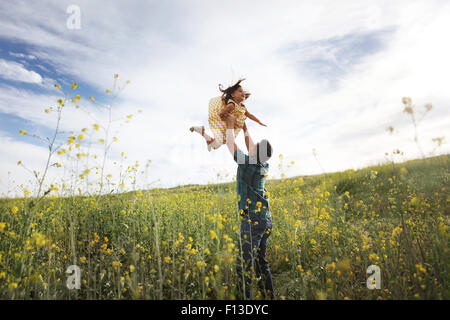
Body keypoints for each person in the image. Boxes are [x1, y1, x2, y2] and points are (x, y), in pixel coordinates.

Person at [223, 113, 274, 300]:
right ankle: (270, 297)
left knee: (243, 266)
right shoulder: (263, 165)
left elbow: (230, 145)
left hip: (253, 220)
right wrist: (244, 128)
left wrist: (229, 125)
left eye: (255, 146)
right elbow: (250, 145)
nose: (252, 146)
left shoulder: (247, 164)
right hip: (266, 220)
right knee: (261, 262)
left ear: (255, 153)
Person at [190, 78, 267, 151]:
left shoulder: (242, 107)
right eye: (240, 91)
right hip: (225, 126)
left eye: (243, 91)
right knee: (217, 144)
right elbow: (223, 111)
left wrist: (258, 121)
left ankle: (201, 131)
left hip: (232, 127)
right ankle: (202, 133)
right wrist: (225, 114)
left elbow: (249, 115)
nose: (243, 93)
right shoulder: (232, 104)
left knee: (216, 145)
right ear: (233, 95)